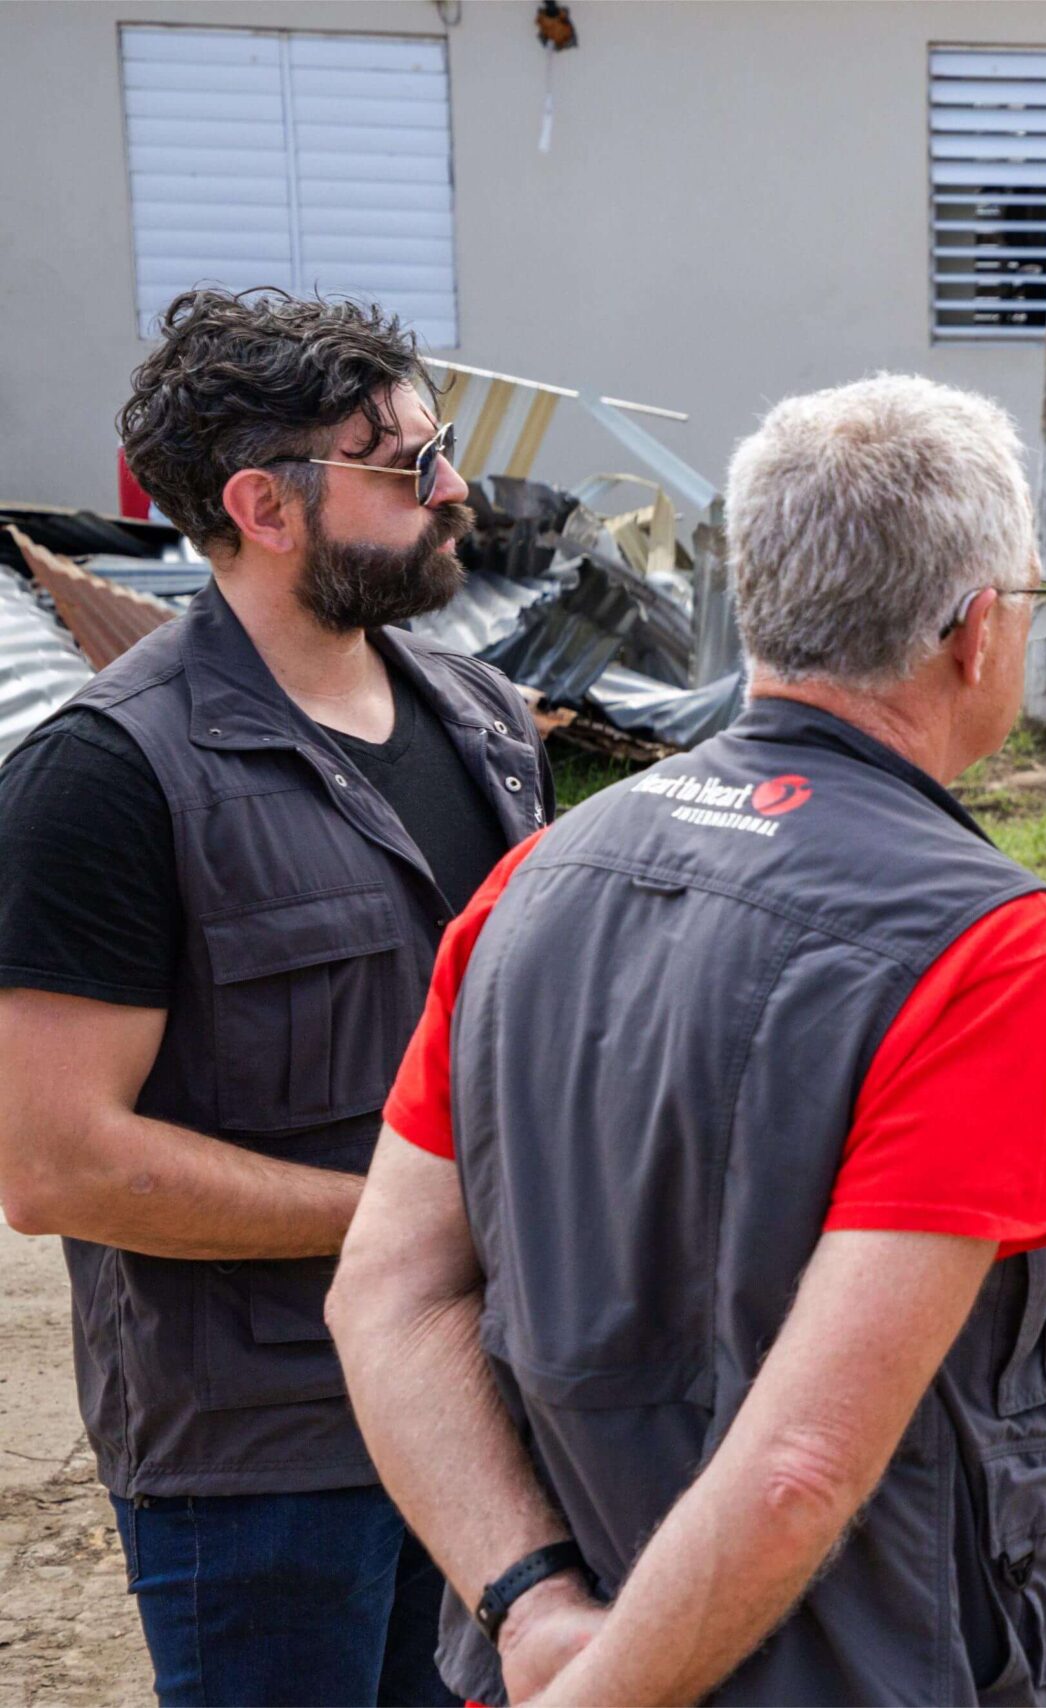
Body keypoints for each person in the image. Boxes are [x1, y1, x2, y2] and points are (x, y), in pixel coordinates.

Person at [326, 375, 1046, 1706]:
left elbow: (383, 1293)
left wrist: (532, 1610)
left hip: (547, 1658)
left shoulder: (538, 879)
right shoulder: (988, 950)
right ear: (978, 631)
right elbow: (802, 1462)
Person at [0, 288, 548, 1707]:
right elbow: (56, 1163)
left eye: (444, 452)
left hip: (488, 1409)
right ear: (265, 505)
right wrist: (410, 1222)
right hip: (262, 1459)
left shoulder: (482, 721)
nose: (456, 491)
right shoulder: (109, 778)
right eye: (407, 466)